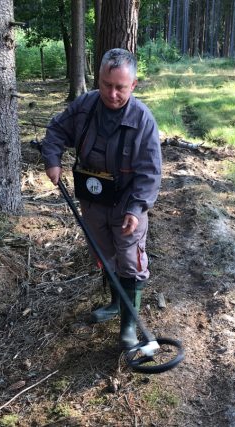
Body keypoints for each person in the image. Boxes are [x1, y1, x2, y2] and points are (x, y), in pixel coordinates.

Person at [41, 48, 162, 350]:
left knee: (130, 260)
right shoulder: (85, 106)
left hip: (126, 203)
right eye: (107, 84)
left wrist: (136, 209)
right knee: (104, 254)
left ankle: (129, 328)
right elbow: (56, 129)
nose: (112, 93)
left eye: (120, 87)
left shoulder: (143, 120)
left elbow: (150, 172)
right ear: (99, 80)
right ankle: (114, 303)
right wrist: (52, 160)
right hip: (92, 198)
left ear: (133, 85)